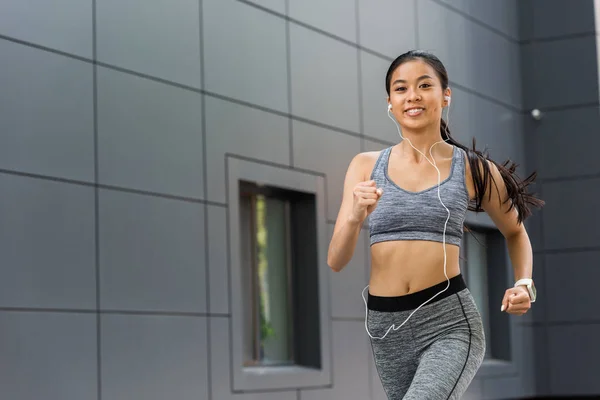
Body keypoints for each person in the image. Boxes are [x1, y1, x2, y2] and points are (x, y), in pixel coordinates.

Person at [327, 50, 544, 400]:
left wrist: (524, 283)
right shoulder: (365, 165)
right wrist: (354, 216)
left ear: (445, 95)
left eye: (424, 85)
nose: (412, 95)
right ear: (390, 102)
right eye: (401, 89)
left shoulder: (473, 169)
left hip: (449, 321)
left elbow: (515, 231)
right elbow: (335, 260)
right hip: (386, 327)